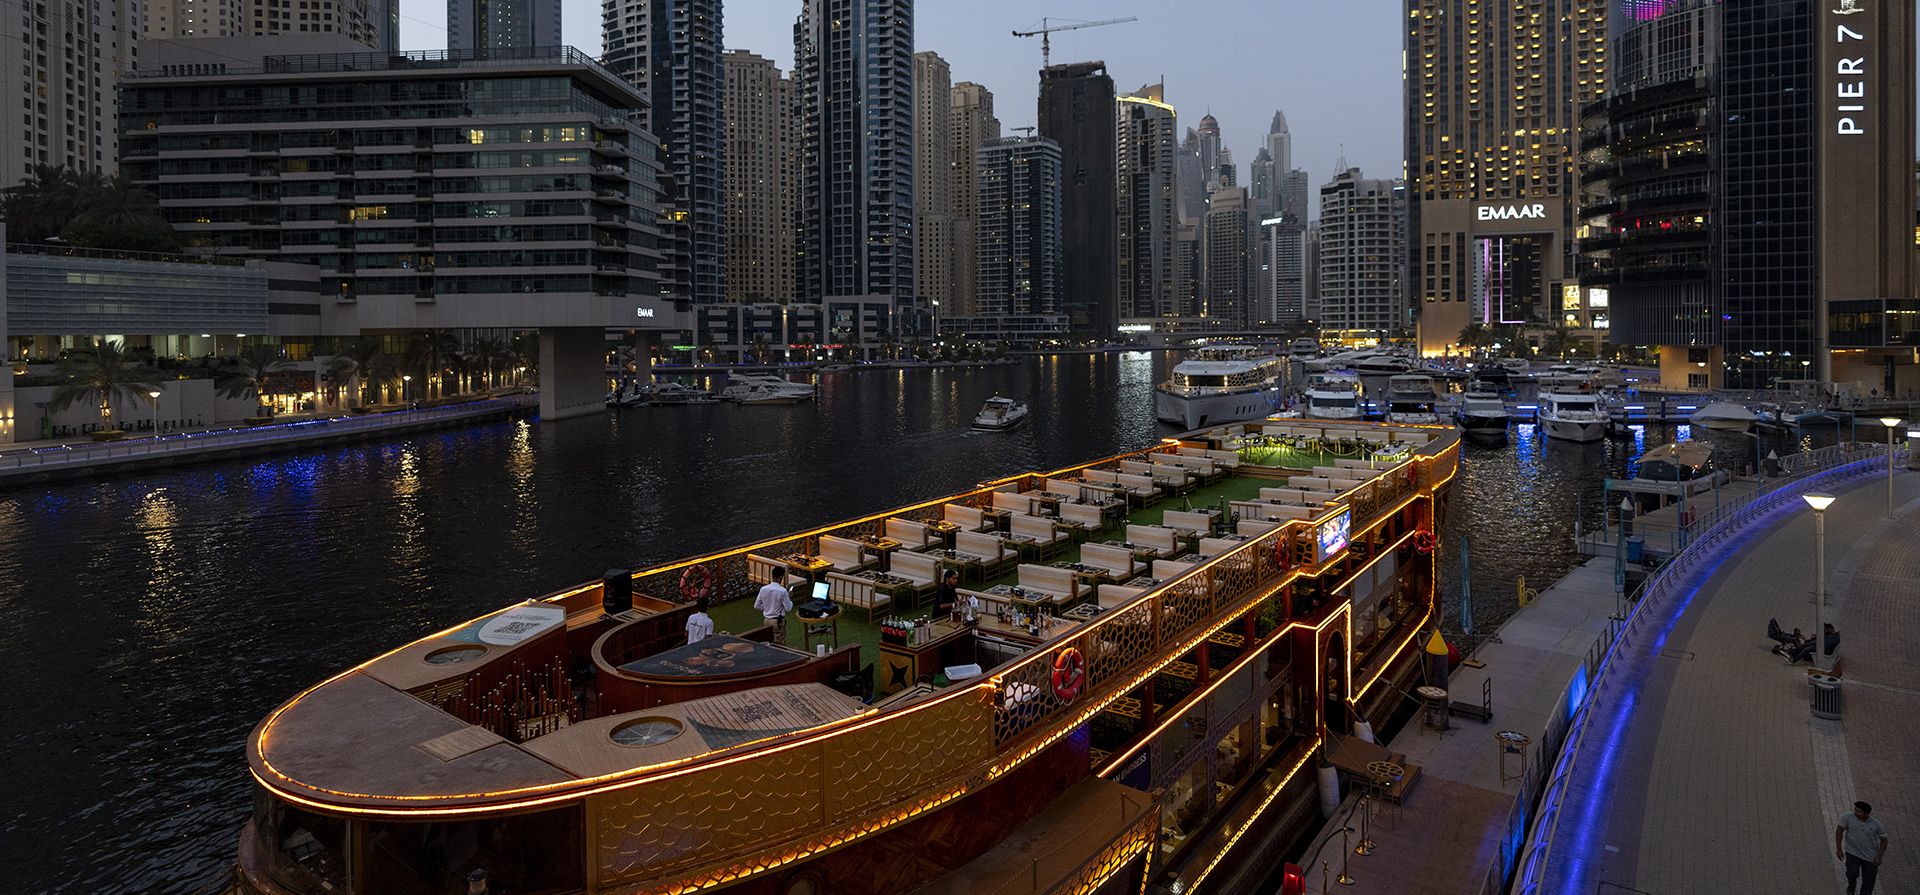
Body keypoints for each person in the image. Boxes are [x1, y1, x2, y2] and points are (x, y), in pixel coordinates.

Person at [1837, 800, 1888, 895]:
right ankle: (1851, 887)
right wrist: (1839, 849)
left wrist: (1879, 857)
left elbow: (1884, 840)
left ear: (1866, 814)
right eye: (1855, 810)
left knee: (1868, 881)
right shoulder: (1848, 817)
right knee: (1852, 873)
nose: (1855, 812)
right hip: (1852, 853)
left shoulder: (1876, 824)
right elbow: (1839, 830)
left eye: (1859, 811)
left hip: (1870, 858)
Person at [755, 566, 793, 644]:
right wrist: (790, 598)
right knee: (780, 644)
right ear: (781, 578)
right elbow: (788, 608)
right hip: (777, 621)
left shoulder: (763, 589)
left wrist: (766, 607)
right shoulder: (783, 591)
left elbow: (757, 605)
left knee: (769, 643)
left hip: (766, 621)